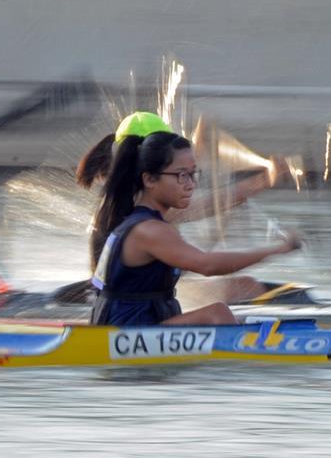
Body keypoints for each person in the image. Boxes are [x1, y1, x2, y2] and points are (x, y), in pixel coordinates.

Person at [79, 128, 300, 326]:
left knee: (233, 316)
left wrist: (265, 180)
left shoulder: (144, 219)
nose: (191, 185)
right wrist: (277, 249)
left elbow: (220, 200)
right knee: (218, 313)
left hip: (137, 324)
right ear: (149, 179)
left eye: (193, 174)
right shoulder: (148, 230)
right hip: (127, 331)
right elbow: (207, 265)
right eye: (181, 176)